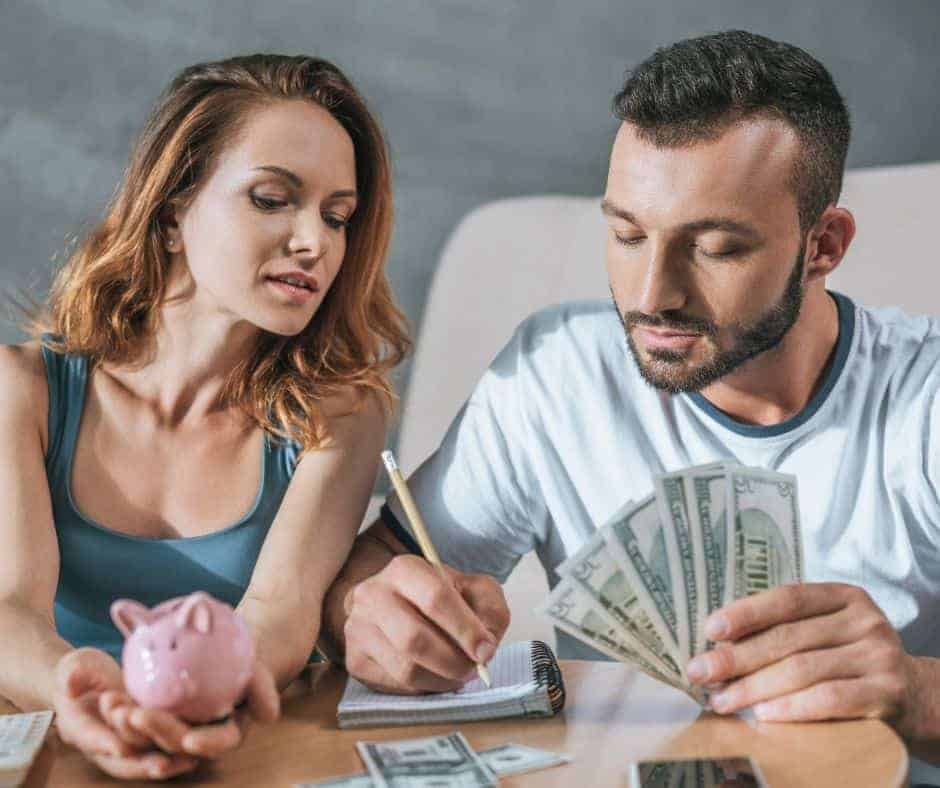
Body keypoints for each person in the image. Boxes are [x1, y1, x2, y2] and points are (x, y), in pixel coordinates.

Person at [320, 30, 940, 780]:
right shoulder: (554, 374)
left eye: (715, 248)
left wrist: (916, 692)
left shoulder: (924, 401)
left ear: (824, 245)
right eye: (627, 233)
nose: (651, 296)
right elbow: (382, 563)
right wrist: (366, 613)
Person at [0, 54, 409, 780]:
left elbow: (280, 613)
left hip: (237, 757)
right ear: (169, 215)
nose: (315, 242)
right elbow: (10, 609)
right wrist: (86, 694)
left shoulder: (340, 415)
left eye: (337, 216)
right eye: (271, 198)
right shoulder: (21, 390)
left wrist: (205, 700)